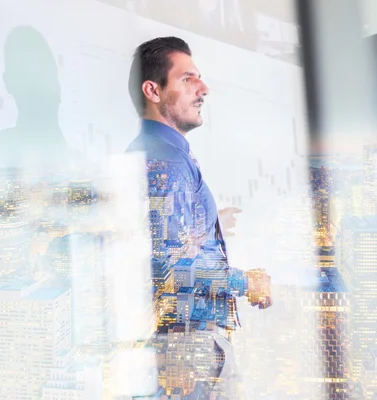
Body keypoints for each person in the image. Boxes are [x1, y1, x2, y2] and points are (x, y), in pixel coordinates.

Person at [126, 36, 271, 398]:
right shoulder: (167, 160)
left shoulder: (159, 154)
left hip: (184, 346)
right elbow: (172, 266)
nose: (203, 88)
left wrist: (211, 221)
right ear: (153, 91)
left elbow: (157, 237)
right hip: (188, 348)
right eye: (188, 79)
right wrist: (246, 282)